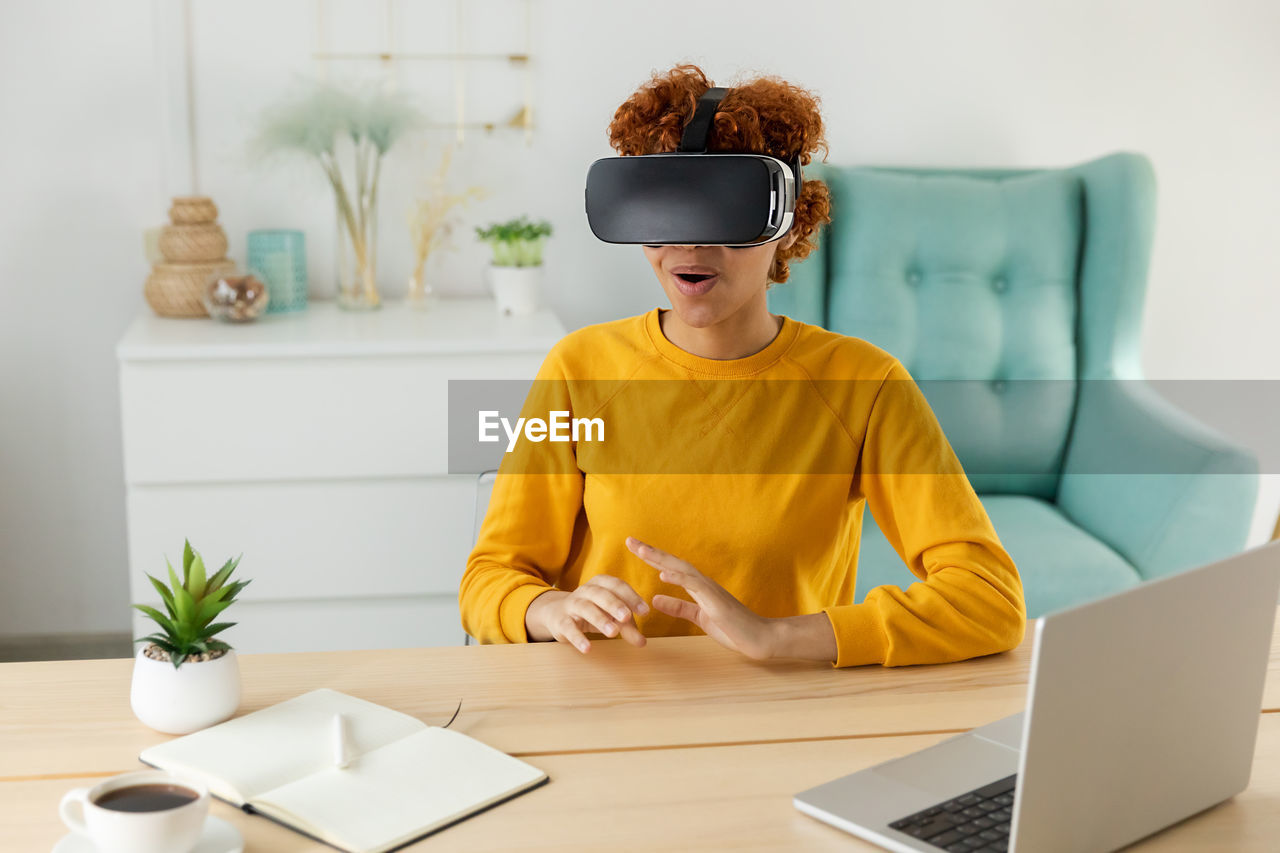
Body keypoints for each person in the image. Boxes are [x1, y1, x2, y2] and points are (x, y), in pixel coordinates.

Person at [459, 64, 1025, 667]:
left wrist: (777, 638)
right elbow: (492, 577)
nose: (690, 248)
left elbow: (988, 600)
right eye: (666, 213)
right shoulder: (580, 368)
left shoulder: (864, 387)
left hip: (780, 716)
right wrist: (547, 610)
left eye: (726, 213)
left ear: (789, 224)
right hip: (607, 707)